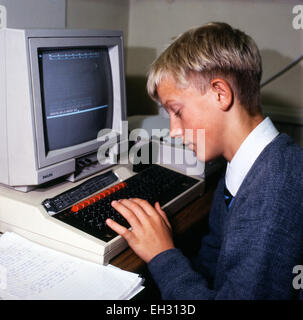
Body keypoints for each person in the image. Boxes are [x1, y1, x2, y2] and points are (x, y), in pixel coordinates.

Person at [106, 22, 303, 299]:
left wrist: (163, 254)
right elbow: (213, 259)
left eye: (177, 111)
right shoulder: (242, 166)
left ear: (220, 94)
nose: (174, 130)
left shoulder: (275, 190)